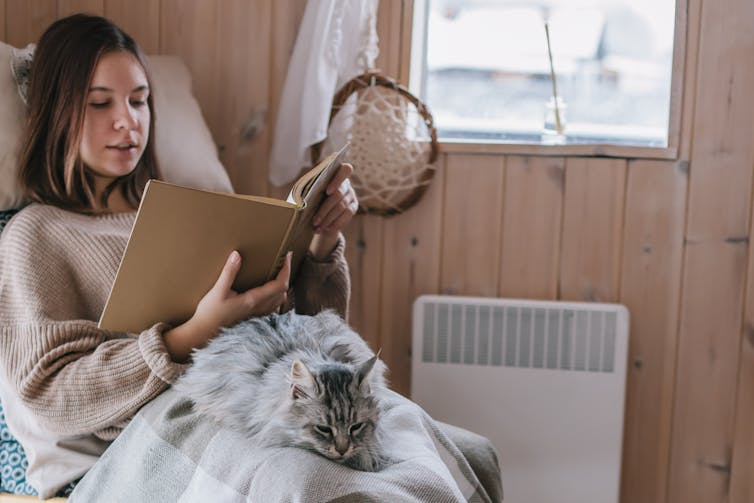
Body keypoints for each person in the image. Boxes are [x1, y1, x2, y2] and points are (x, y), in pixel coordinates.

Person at [0, 14, 358, 498]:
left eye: (140, 101)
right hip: (137, 449)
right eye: (100, 103)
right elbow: (47, 395)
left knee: (432, 450)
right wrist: (190, 336)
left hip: (252, 414)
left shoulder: (197, 215)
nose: (128, 120)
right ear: (56, 112)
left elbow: (314, 342)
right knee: (313, 484)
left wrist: (319, 243)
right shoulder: (37, 235)